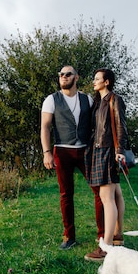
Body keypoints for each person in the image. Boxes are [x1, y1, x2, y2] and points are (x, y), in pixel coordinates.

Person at [41, 66, 105, 255]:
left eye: (68, 74)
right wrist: (47, 152)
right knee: (66, 194)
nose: (63, 77)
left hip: (85, 150)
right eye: (61, 74)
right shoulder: (52, 99)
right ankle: (69, 236)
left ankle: (102, 236)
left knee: (99, 191)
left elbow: (97, 124)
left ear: (76, 77)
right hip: (62, 150)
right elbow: (45, 127)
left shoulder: (87, 99)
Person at [84, 68, 127, 262]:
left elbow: (121, 125)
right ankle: (117, 235)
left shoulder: (114, 99)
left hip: (108, 150)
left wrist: (119, 151)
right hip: (99, 149)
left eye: (97, 79)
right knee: (116, 192)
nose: (94, 81)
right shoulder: (99, 102)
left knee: (106, 196)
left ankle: (107, 246)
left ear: (107, 82)